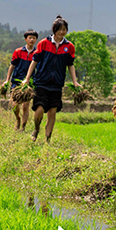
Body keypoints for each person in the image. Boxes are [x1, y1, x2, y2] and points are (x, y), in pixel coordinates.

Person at [23, 15, 80, 143]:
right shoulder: (44, 43)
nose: (62, 31)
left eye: (64, 29)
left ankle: (47, 139)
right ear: (54, 29)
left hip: (57, 84)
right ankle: (36, 129)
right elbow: (34, 61)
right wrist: (27, 79)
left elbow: (70, 65)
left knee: (52, 111)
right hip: (42, 82)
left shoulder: (69, 47)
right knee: (39, 108)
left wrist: (75, 82)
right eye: (59, 29)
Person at [3, 30, 38, 131]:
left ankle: (23, 126)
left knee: (26, 106)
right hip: (16, 81)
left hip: (30, 82)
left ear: (36, 40)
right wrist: (7, 80)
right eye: (30, 38)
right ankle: (18, 119)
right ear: (25, 39)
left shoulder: (37, 53)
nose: (32, 40)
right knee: (15, 104)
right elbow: (12, 66)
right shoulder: (18, 51)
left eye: (34, 38)